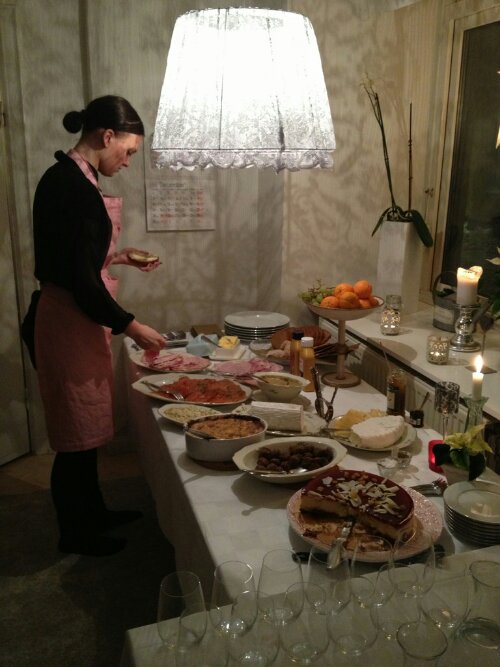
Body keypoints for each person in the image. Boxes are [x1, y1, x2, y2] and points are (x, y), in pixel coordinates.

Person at [29, 95, 166, 557]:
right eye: (128, 151)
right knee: (74, 437)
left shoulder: (75, 179)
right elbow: (79, 279)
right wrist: (132, 326)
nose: (127, 161)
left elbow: (76, 257)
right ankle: (75, 533)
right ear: (107, 136)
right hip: (69, 319)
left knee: (86, 430)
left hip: (78, 316)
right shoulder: (71, 187)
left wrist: (118, 257)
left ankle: (95, 512)